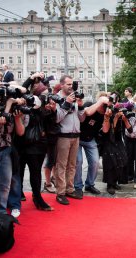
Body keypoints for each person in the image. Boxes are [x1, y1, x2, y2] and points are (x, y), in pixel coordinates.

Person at [54, 75, 86, 205]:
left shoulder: (75, 97)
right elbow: (57, 118)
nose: (70, 86)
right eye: (68, 84)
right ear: (61, 85)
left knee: (73, 165)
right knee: (61, 165)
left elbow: (82, 119)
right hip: (63, 136)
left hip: (75, 136)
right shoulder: (56, 99)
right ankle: (60, 193)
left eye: (71, 84)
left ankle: (70, 189)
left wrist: (80, 106)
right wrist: (66, 103)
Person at [74, 94, 109, 197]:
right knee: (78, 161)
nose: (105, 108)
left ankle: (89, 184)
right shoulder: (90, 105)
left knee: (95, 162)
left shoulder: (106, 113)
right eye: (104, 105)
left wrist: (107, 117)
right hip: (78, 138)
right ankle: (78, 187)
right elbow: (87, 112)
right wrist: (100, 101)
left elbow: (105, 130)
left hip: (90, 139)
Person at [101, 92, 132, 195]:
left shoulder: (121, 113)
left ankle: (115, 181)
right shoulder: (108, 113)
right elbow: (109, 132)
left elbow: (130, 130)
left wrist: (124, 119)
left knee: (122, 160)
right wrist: (115, 118)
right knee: (111, 162)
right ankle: (110, 184)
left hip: (118, 140)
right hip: (109, 140)